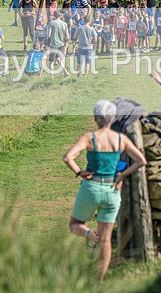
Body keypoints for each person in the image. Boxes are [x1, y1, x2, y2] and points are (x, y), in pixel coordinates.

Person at [62, 100, 147, 280]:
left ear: (95, 118)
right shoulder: (120, 139)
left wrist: (80, 172)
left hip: (91, 187)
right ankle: (99, 280)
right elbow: (141, 160)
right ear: (112, 118)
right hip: (111, 190)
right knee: (106, 240)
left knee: (75, 224)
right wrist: (122, 176)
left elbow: (68, 157)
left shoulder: (89, 138)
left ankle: (89, 234)